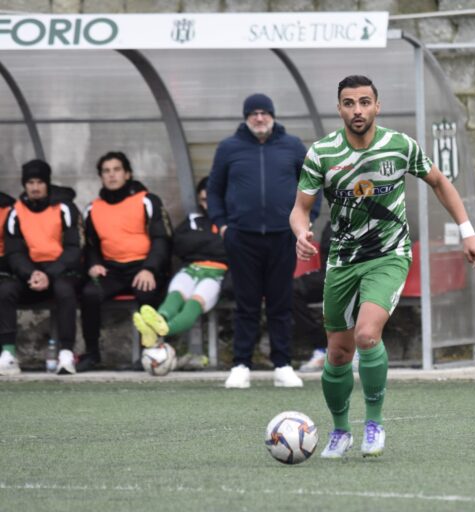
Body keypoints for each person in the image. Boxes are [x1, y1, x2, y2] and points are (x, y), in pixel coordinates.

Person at [290, 75, 475, 458]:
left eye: (365, 102)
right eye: (349, 103)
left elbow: (440, 182)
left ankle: (375, 423)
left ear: (377, 106)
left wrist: (468, 232)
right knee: (338, 354)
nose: (357, 110)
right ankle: (341, 430)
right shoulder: (322, 153)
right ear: (339, 108)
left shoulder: (399, 146)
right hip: (342, 261)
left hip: (388, 256)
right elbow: (301, 208)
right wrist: (301, 232)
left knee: (366, 335)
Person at [207, 93, 319, 389]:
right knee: (247, 303)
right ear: (246, 117)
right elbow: (214, 190)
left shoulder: (292, 145)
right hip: (242, 238)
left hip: (283, 237)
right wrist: (222, 226)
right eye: (254, 113)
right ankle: (241, 365)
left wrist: (307, 221)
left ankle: (282, 364)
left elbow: (310, 185)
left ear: (273, 115)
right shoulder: (229, 148)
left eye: (264, 112)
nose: (259, 117)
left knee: (281, 302)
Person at [78, 151, 172, 372]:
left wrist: (150, 268)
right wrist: (93, 264)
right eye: (106, 171)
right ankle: (92, 354)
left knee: (146, 295)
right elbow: (90, 245)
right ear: (101, 176)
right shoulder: (93, 208)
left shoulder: (147, 200)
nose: (112, 175)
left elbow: (162, 240)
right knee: (90, 294)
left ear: (127, 174)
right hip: (112, 270)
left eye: (117, 170)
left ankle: (149, 354)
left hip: (143, 268)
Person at [0, 160, 82, 375]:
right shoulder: (15, 212)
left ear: (47, 183)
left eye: (39, 182)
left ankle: (66, 353)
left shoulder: (66, 208)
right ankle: (8, 353)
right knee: (6, 289)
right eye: (30, 182)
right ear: (24, 185)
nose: (35, 187)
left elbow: (74, 248)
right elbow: (14, 252)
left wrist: (49, 274)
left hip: (60, 271)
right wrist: (31, 273)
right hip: (31, 273)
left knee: (65, 290)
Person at [133, 177, 227, 356]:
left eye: (213, 199)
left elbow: (231, 246)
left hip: (217, 274)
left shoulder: (231, 219)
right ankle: (158, 320)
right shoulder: (193, 219)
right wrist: (213, 243)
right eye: (204, 200)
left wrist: (202, 243)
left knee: (195, 302)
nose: (208, 205)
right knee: (176, 293)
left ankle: (160, 330)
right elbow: (181, 243)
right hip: (191, 269)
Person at [295, 222, 331, 372]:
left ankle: (356, 350)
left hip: (365, 277)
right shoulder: (333, 224)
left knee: (358, 287)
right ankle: (322, 346)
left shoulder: (378, 221)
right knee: (290, 289)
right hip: (331, 275)